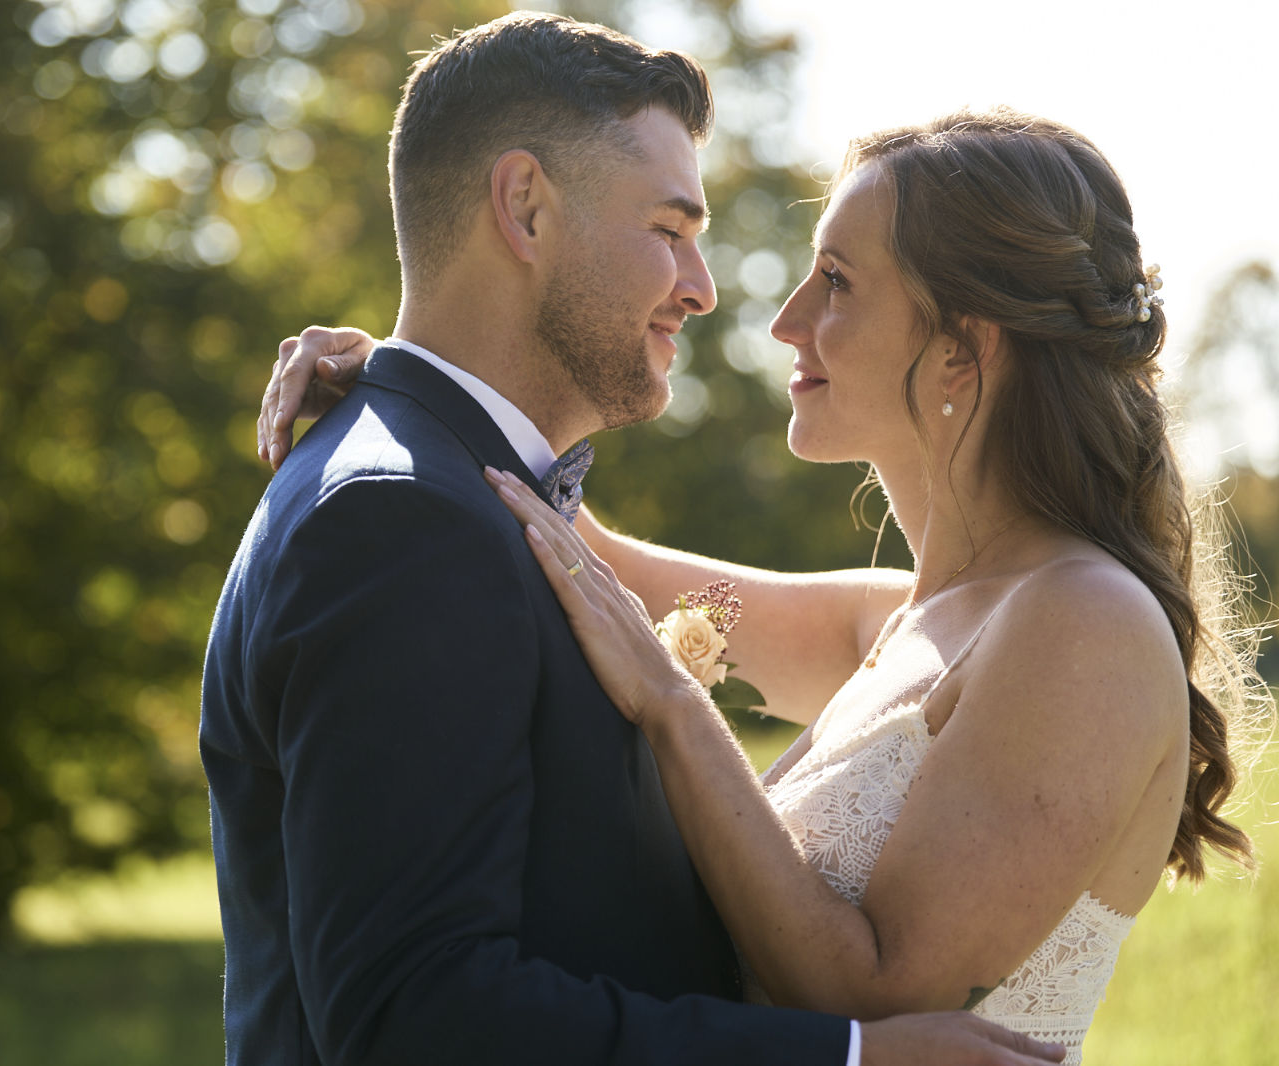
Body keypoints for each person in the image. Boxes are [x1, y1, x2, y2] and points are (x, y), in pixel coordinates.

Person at [257, 107, 1269, 1065]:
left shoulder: (1077, 622)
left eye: (835, 280)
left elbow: (881, 996)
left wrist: (670, 703)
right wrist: (408, 382)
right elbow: (572, 549)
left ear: (964, 343)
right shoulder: (899, 619)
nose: (785, 321)